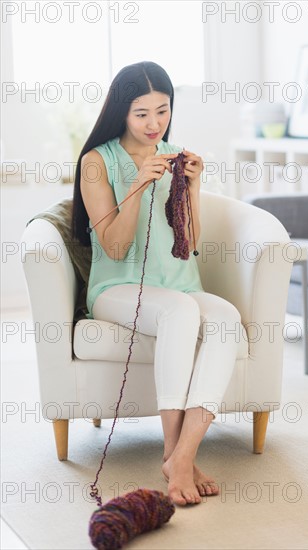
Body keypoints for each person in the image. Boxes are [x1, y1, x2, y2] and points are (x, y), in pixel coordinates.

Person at [72, 61, 241, 506]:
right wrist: (139, 187)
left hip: (179, 283)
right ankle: (173, 452)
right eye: (141, 113)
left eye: (162, 111)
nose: (154, 124)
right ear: (121, 113)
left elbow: (190, 243)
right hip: (118, 289)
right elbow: (113, 246)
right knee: (180, 312)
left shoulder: (175, 155)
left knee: (226, 318)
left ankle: (183, 454)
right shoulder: (96, 161)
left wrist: (195, 185)